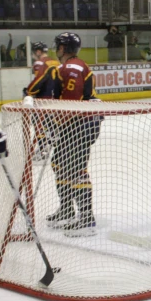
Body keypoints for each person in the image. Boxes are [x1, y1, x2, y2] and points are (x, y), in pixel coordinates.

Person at [44, 32, 102, 237]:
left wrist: (56, 125)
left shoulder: (72, 67)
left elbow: (71, 99)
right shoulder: (70, 66)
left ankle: (87, 219)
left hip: (80, 123)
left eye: (58, 46)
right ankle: (67, 209)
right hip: (74, 123)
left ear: (62, 48)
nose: (56, 49)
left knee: (76, 170)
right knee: (59, 163)